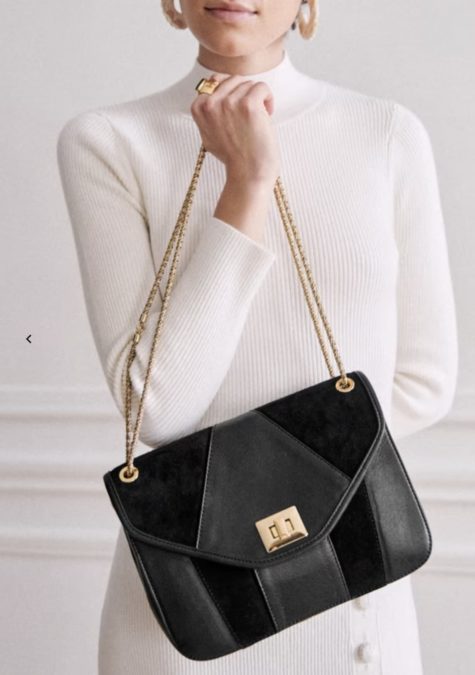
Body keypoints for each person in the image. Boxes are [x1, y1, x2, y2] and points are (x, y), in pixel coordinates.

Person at [56, 1, 458, 673]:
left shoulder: (384, 132)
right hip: (193, 608)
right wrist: (246, 183)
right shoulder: (109, 141)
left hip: (353, 585)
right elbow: (157, 410)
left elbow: (425, 380)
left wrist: (286, 504)